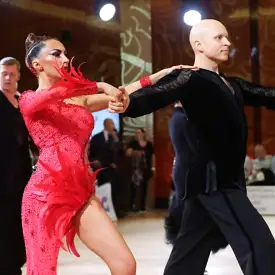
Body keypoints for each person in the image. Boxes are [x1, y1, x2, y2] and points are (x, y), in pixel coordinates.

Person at [19, 32, 191, 275]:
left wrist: (161, 76)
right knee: (42, 271)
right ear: (36, 65)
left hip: (81, 192)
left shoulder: (80, 101)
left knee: (125, 265)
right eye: (56, 54)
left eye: (66, 53)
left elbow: (123, 91)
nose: (66, 59)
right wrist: (97, 84)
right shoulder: (29, 100)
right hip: (44, 195)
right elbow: (54, 95)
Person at [117, 19, 275, 275]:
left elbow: (266, 94)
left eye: (227, 37)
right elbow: (159, 93)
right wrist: (128, 104)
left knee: (188, 255)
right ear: (198, 45)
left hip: (216, 183)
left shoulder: (231, 84)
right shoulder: (190, 77)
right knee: (260, 247)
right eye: (219, 38)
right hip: (215, 182)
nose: (228, 42)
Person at [0, 57, 32, 275]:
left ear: (19, 75)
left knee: (18, 225)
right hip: (1, 176)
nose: (8, 78)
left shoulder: (23, 102)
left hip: (22, 175)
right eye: (4, 74)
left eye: (12, 74)